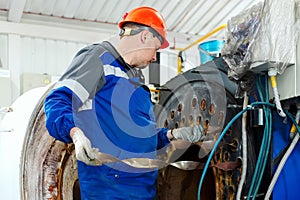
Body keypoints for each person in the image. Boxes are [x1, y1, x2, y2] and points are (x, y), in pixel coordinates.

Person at [44, 6, 203, 199]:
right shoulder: (98, 59)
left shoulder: (135, 79)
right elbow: (57, 100)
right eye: (155, 48)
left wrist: (170, 134)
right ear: (144, 36)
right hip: (110, 190)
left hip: (142, 189)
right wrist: (75, 134)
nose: (154, 57)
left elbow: (141, 132)